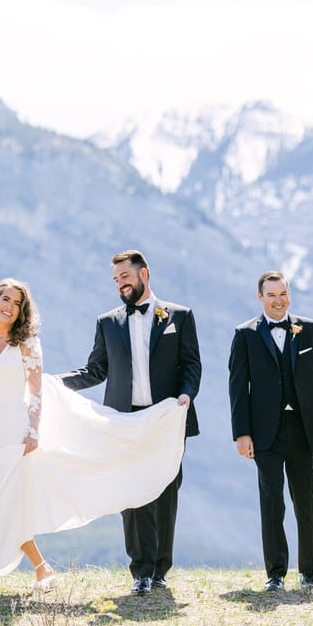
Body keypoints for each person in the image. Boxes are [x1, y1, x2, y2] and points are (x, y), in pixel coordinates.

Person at [0, 279, 187, 598]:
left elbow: (36, 391)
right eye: (5, 299)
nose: (9, 306)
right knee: (5, 504)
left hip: (17, 432)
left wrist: (33, 430)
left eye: (16, 303)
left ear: (21, 311)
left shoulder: (27, 343)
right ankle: (42, 568)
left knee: (1, 503)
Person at [58, 250, 201, 595]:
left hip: (166, 419)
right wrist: (52, 382)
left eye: (125, 276)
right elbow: (95, 371)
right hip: (124, 421)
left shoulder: (179, 316)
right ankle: (141, 572)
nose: (121, 283)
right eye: (116, 279)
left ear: (144, 274)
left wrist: (186, 395)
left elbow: (192, 364)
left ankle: (161, 569)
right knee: (131, 494)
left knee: (166, 491)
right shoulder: (107, 322)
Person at [228, 271, 313, 591]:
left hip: (305, 429)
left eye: (283, 294)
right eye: (272, 295)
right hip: (264, 433)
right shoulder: (245, 334)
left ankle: (308, 571)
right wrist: (242, 433)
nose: (279, 301)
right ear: (260, 297)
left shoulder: (312, 331)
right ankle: (275, 573)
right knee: (271, 502)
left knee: (306, 500)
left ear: (289, 295)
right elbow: (238, 388)